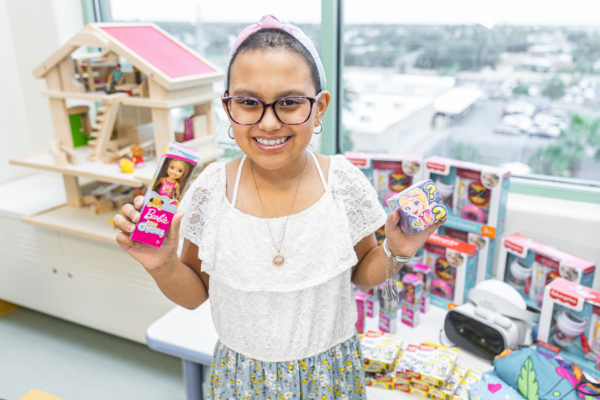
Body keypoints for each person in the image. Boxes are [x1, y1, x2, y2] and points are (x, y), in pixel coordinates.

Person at [113, 15, 445, 399]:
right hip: (241, 379)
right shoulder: (211, 191)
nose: (269, 123)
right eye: (248, 102)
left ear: (319, 108)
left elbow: (362, 274)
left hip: (330, 377)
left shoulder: (342, 184)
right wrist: (163, 265)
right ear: (228, 108)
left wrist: (395, 251)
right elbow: (195, 295)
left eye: (289, 102)